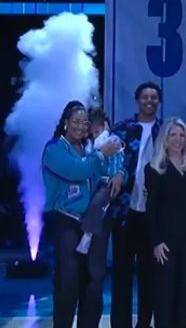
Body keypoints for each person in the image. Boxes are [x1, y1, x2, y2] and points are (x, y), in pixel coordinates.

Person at [42, 100, 122, 328]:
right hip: (65, 220)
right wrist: (100, 155)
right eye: (76, 122)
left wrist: (120, 173)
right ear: (66, 123)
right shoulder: (54, 149)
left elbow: (109, 168)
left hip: (92, 223)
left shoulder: (90, 148)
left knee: (93, 284)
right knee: (68, 283)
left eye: (85, 123)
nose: (81, 126)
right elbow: (77, 171)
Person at [108, 82, 162, 328]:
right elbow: (107, 162)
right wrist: (118, 174)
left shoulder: (165, 130)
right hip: (124, 211)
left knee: (149, 275)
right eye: (145, 96)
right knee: (121, 273)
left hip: (152, 214)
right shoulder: (122, 129)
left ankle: (144, 323)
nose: (149, 100)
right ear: (137, 100)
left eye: (153, 97)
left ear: (158, 101)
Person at [145, 117, 186, 328]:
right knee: (165, 294)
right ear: (165, 140)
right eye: (173, 135)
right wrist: (156, 241)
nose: (178, 139)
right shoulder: (154, 169)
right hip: (165, 242)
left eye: (182, 135)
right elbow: (152, 208)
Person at [76, 107, 126, 254]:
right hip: (95, 183)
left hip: (109, 182)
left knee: (97, 203)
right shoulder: (88, 146)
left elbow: (119, 160)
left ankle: (87, 235)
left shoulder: (113, 140)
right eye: (92, 134)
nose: (95, 136)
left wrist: (119, 173)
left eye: (97, 132)